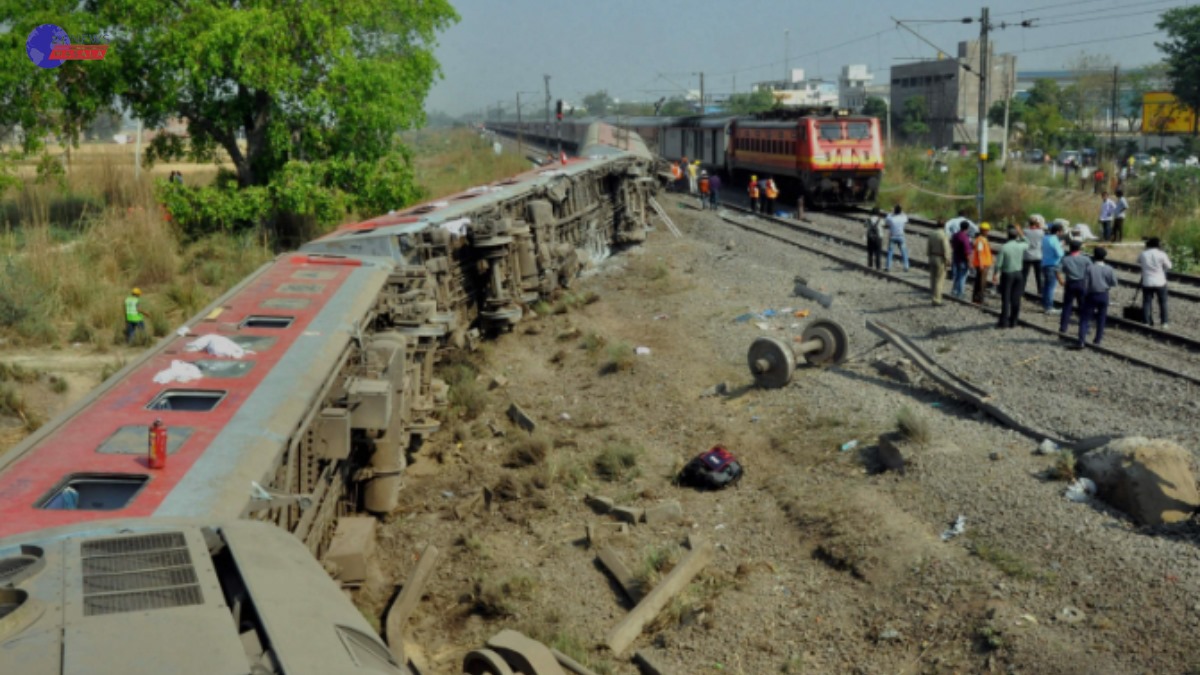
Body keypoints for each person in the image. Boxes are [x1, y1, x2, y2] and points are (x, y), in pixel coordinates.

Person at [1073, 247, 1118, 349]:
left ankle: (1081, 341)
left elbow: (1085, 284)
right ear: (1104, 257)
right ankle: (1097, 340)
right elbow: (1114, 282)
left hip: (1091, 295)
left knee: (1084, 319)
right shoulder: (1109, 269)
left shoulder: (1089, 268)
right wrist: (1107, 285)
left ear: (1094, 256)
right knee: (1101, 318)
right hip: (1104, 294)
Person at [992, 224, 1028, 328]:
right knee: (1016, 299)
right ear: (1016, 236)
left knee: (1006, 299)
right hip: (1019, 274)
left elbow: (998, 264)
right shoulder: (1020, 246)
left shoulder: (1004, 248)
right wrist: (1021, 232)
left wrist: (995, 274)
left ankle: (1003, 322)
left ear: (1008, 236)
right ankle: (1014, 321)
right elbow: (1027, 243)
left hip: (1007, 274)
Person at [1057, 240, 1092, 333]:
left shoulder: (1065, 259)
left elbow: (1057, 270)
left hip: (1070, 283)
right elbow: (1091, 271)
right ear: (1079, 249)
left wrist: (1060, 280)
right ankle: (1085, 328)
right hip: (1082, 283)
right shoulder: (1086, 259)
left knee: (1067, 306)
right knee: (1083, 306)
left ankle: (1063, 327)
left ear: (1070, 248)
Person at [1138, 237, 1172, 329]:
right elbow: (1169, 266)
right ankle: (1164, 322)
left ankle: (1146, 321)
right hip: (1160, 281)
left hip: (1147, 281)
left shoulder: (1143, 254)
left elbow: (1138, 261)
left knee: (1146, 302)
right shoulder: (1162, 254)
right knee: (1163, 302)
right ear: (1158, 245)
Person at [1040, 223, 1065, 315]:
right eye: (1062, 231)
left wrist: (1059, 244)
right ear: (1058, 232)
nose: (1062, 233)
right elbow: (1060, 254)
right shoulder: (1054, 240)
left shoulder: (1045, 238)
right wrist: (1061, 246)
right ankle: (1049, 307)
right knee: (1051, 287)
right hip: (1053, 265)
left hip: (1044, 263)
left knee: (1046, 286)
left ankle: (1045, 305)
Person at [927, 217, 952, 305]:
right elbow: (946, 249)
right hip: (940, 259)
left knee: (933, 279)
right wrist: (948, 259)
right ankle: (937, 299)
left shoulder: (931, 234)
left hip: (932, 257)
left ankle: (933, 295)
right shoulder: (944, 235)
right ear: (944, 226)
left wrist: (929, 256)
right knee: (939, 280)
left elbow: (928, 247)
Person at [1022, 214, 1045, 296]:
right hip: (1038, 256)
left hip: (1026, 256)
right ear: (1037, 224)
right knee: (1039, 275)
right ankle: (1040, 291)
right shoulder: (1041, 232)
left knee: (1024, 275)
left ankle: (1021, 290)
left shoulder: (1025, 231)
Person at [971, 222, 993, 304]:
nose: (988, 232)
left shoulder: (983, 239)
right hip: (982, 264)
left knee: (979, 281)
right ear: (982, 231)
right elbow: (979, 253)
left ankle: (976, 298)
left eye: (988, 230)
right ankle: (980, 299)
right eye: (986, 230)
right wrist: (980, 264)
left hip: (984, 264)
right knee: (981, 282)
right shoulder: (980, 240)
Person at [950, 217, 972, 298]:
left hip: (956, 258)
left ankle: (954, 290)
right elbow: (967, 251)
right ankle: (960, 292)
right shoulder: (965, 238)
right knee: (962, 276)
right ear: (967, 228)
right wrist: (969, 262)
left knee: (957, 275)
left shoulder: (955, 235)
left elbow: (952, 245)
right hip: (963, 260)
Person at [884, 204, 909, 272]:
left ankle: (888, 266)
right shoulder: (903, 218)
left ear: (894, 210)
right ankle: (906, 266)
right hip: (901, 236)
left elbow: (886, 220)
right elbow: (906, 217)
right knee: (904, 251)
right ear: (900, 211)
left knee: (890, 252)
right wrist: (901, 212)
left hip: (893, 237)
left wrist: (891, 212)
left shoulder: (891, 218)